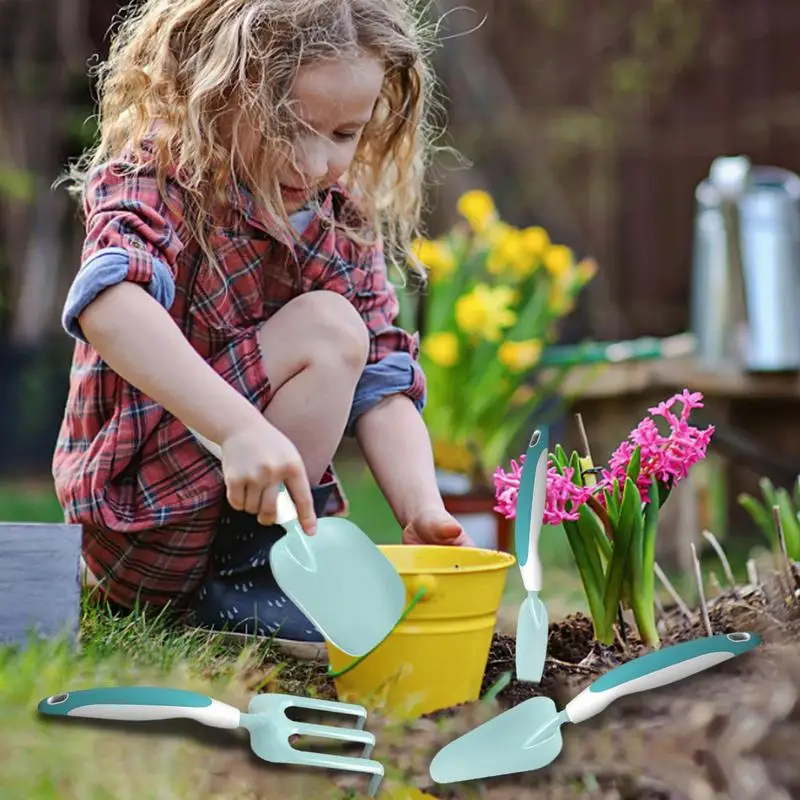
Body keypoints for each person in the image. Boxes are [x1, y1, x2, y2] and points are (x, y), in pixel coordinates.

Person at [52, 0, 474, 660]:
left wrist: (421, 507)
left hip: (263, 528)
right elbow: (110, 303)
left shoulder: (339, 221)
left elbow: (383, 380)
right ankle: (248, 585)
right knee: (327, 329)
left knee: (344, 332)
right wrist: (237, 428)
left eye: (343, 135)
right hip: (142, 522)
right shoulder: (157, 179)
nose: (314, 163)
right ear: (217, 92)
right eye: (292, 127)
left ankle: (256, 579)